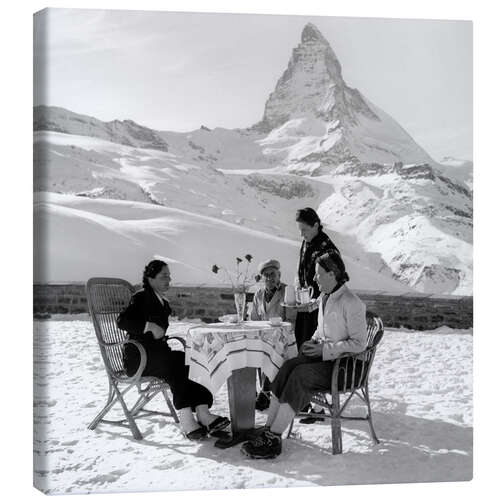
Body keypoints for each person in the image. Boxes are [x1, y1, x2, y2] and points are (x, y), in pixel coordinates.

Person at [241, 252, 367, 459]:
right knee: (288, 366)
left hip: (347, 367)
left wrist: (324, 350)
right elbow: (323, 330)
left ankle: (273, 437)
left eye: (318, 274)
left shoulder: (351, 302)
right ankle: (269, 427)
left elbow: (359, 344)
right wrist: (315, 341)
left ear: (332, 274)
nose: (315, 279)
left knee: (301, 376)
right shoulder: (326, 298)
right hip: (328, 359)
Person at [117, 259, 230, 441]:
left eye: (169, 276)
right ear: (150, 278)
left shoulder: (162, 302)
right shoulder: (141, 297)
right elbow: (122, 321)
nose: (168, 279)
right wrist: (149, 326)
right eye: (163, 276)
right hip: (139, 359)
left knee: (191, 360)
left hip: (157, 356)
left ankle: (203, 412)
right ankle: (186, 421)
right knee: (174, 364)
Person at [294, 207, 345, 423]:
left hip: (320, 310)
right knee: (302, 350)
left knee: (314, 354)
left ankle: (318, 407)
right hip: (306, 307)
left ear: (316, 225)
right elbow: (303, 272)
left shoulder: (327, 249)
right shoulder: (308, 242)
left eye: (304, 229)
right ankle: (307, 401)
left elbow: (337, 281)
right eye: (299, 230)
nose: (301, 234)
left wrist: (317, 302)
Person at [250, 259, 287, 411]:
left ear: (279, 275)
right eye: (265, 275)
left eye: (272, 274)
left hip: (283, 339)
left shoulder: (287, 291)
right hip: (263, 339)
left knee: (272, 350)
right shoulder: (258, 294)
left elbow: (292, 319)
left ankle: (265, 394)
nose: (269, 278)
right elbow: (253, 319)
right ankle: (255, 392)